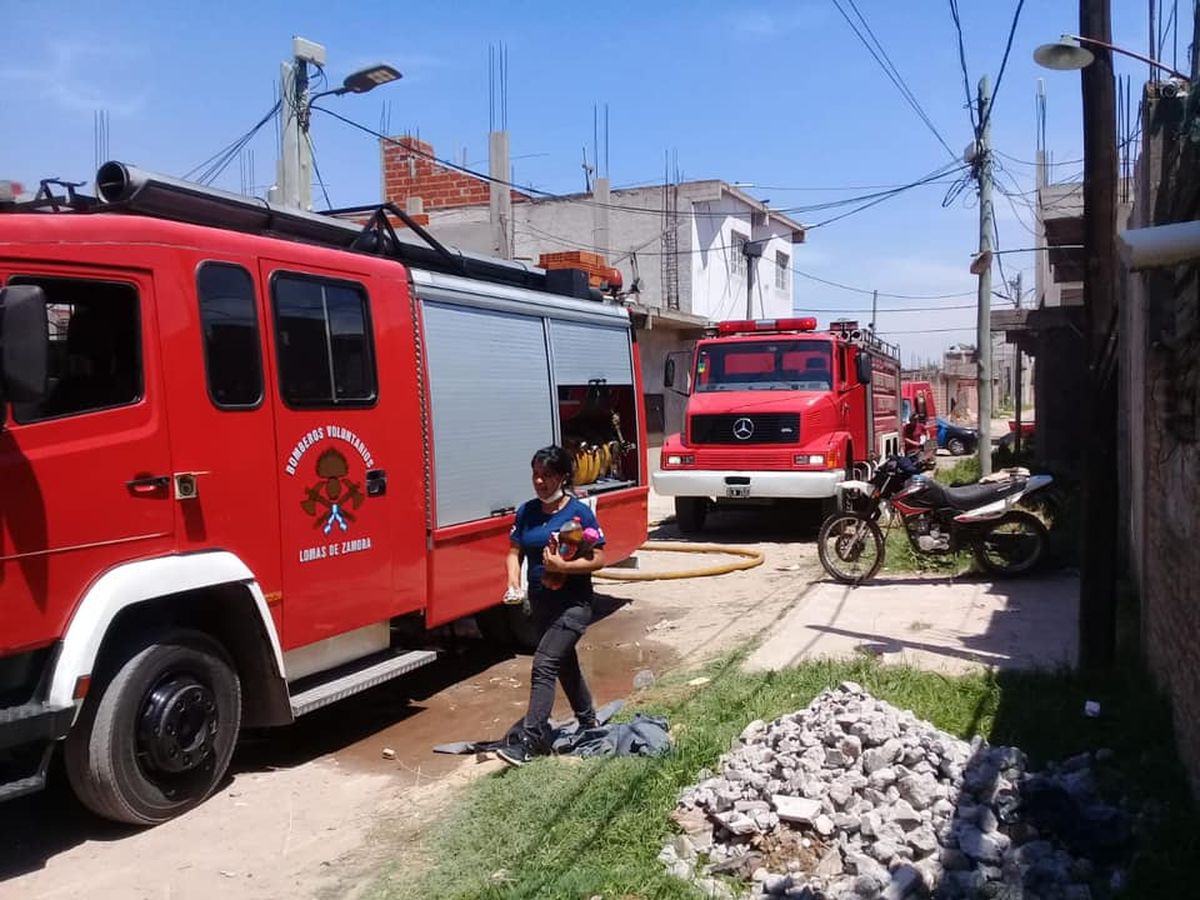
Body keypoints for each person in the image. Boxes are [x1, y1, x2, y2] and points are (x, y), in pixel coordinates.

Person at [498, 445, 606, 766]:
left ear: (562, 477)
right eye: (535, 475)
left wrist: (563, 566)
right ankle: (588, 721)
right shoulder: (527, 512)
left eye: (546, 475)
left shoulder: (579, 514)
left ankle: (530, 740)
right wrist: (514, 583)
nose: (539, 482)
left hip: (574, 605)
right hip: (541, 604)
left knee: (544, 664)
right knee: (564, 664)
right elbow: (513, 552)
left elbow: (599, 558)